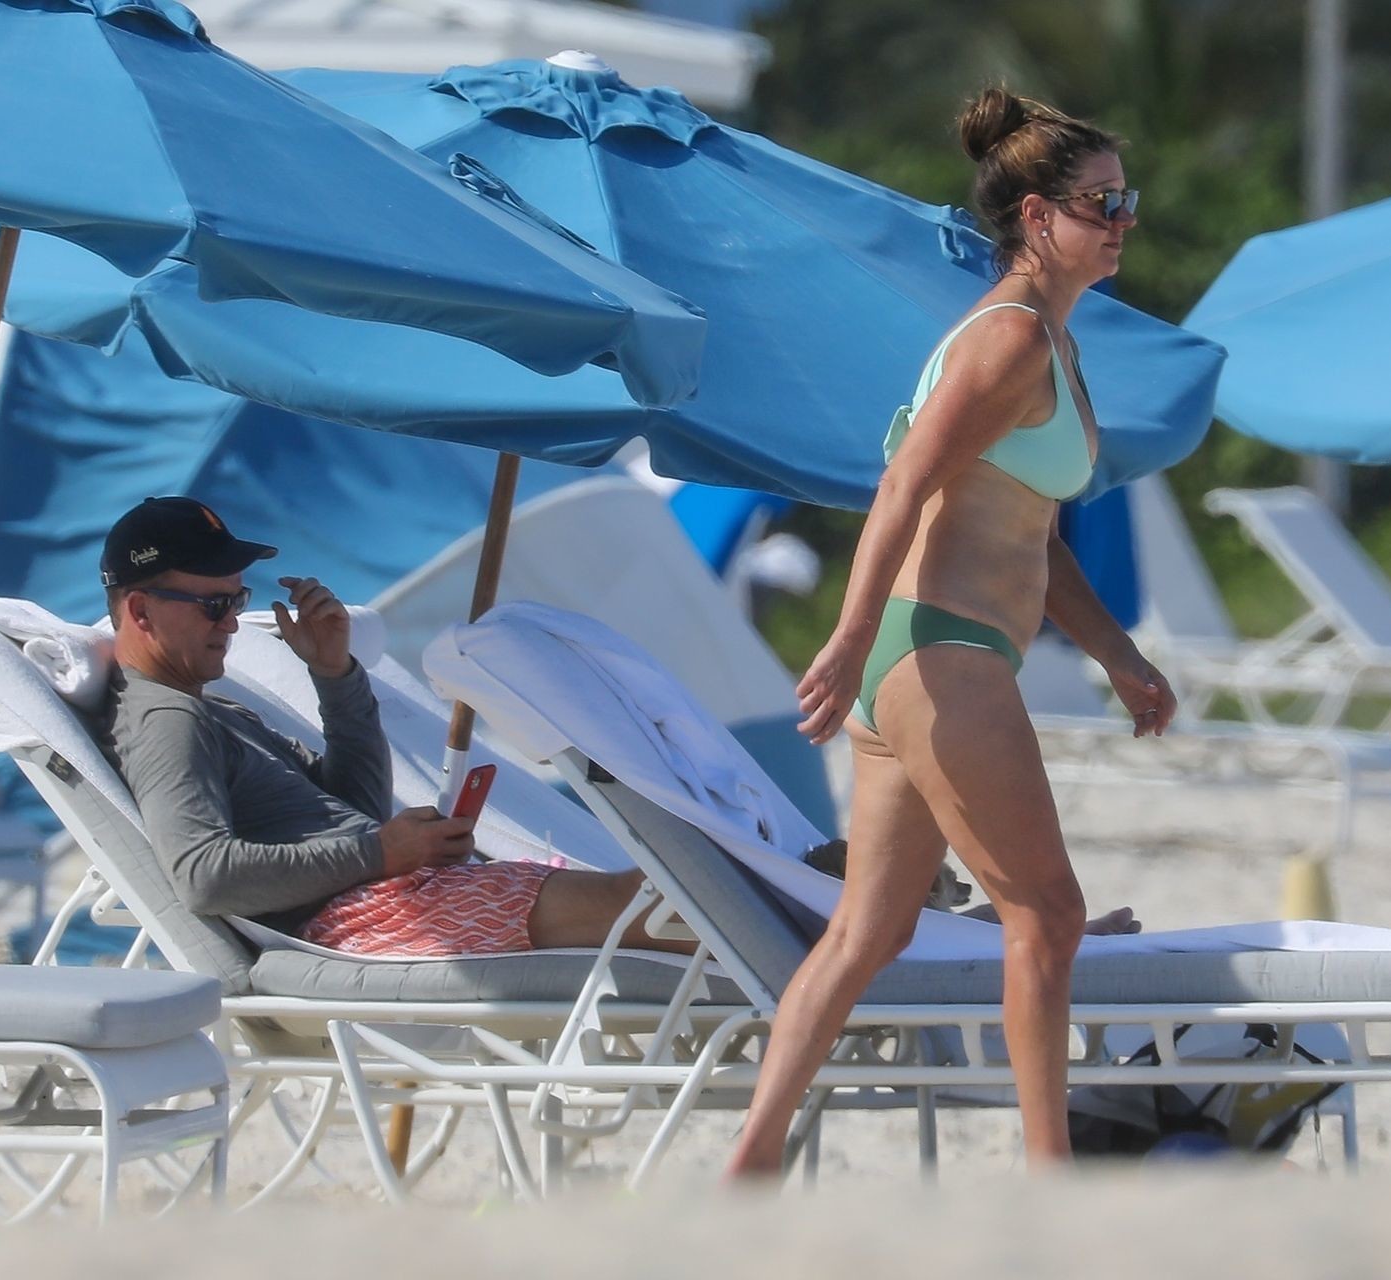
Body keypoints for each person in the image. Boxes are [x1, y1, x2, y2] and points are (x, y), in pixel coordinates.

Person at [726, 88, 1175, 1176]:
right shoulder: (1009, 338)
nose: (1121, 220)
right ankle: (1049, 1179)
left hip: (930, 660)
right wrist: (847, 638)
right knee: (1049, 916)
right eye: (1100, 202)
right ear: (1037, 218)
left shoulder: (1050, 343)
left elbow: (1035, 538)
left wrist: (1120, 657)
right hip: (940, 654)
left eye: (1127, 199)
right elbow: (901, 485)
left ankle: (750, 1165)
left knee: (870, 931)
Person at [96, 496, 686, 959]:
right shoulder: (167, 719)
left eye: (236, 599)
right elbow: (203, 876)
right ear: (141, 610)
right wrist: (381, 852)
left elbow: (356, 806)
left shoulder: (217, 712)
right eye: (213, 604)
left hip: (384, 901)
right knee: (660, 905)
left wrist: (335, 675)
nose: (230, 622)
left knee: (667, 902)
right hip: (366, 922)